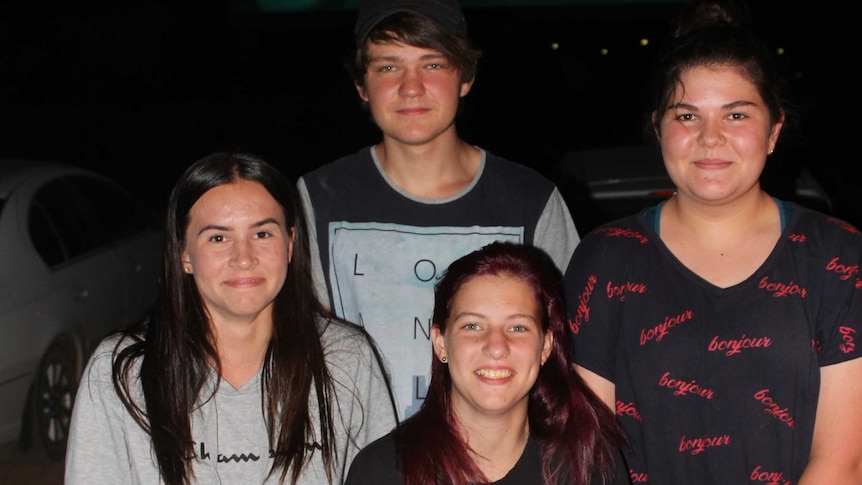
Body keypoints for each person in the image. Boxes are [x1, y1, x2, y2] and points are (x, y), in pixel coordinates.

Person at [564, 0, 862, 483]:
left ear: (774, 130)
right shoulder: (606, 259)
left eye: (737, 115)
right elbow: (590, 454)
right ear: (656, 126)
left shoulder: (837, 257)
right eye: (685, 117)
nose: (709, 137)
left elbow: (843, 462)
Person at [297, 0, 580, 421]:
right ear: (361, 85)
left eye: (433, 64)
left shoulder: (530, 200)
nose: (411, 88)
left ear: (465, 77)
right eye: (388, 67)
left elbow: (570, 351)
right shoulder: (317, 198)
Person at [64, 152, 397, 485]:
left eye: (262, 234)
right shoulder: (122, 371)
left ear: (291, 243)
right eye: (218, 238)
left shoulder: (346, 359)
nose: (243, 258)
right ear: (184, 254)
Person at [344, 242, 630, 485]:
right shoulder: (381, 472)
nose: (496, 347)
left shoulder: (589, 463)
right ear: (441, 342)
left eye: (517, 328)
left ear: (545, 346)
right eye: (473, 326)